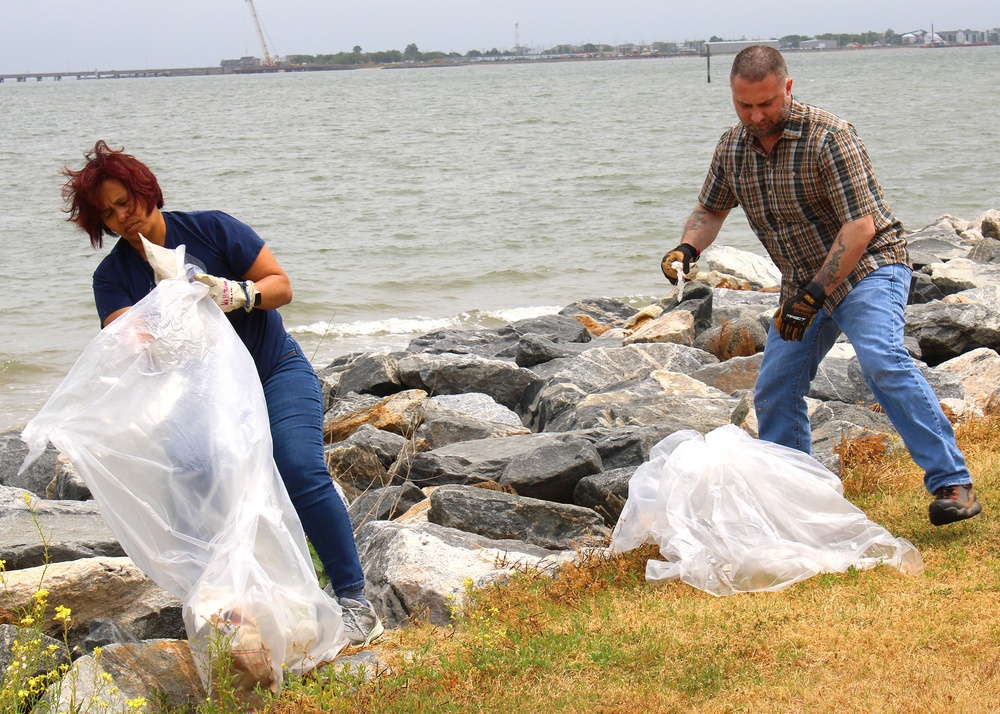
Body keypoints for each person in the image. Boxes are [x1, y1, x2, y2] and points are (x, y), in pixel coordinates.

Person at [61, 140, 385, 643]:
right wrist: (161, 315)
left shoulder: (211, 228)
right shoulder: (113, 277)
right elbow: (124, 340)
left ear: (147, 191)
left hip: (274, 369)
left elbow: (281, 285)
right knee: (192, 485)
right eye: (108, 213)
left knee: (297, 467)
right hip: (200, 398)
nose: (123, 217)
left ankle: (354, 598)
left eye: (126, 202)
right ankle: (238, 606)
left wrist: (238, 293)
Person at [661, 45, 981, 527]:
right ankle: (797, 498)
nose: (756, 114)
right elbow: (710, 210)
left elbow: (860, 228)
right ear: (732, 96)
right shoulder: (733, 148)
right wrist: (687, 249)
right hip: (802, 284)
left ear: (787, 87)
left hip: (870, 268)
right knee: (774, 388)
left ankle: (952, 484)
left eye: (766, 102)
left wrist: (811, 299)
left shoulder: (830, 136)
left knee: (882, 361)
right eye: (745, 105)